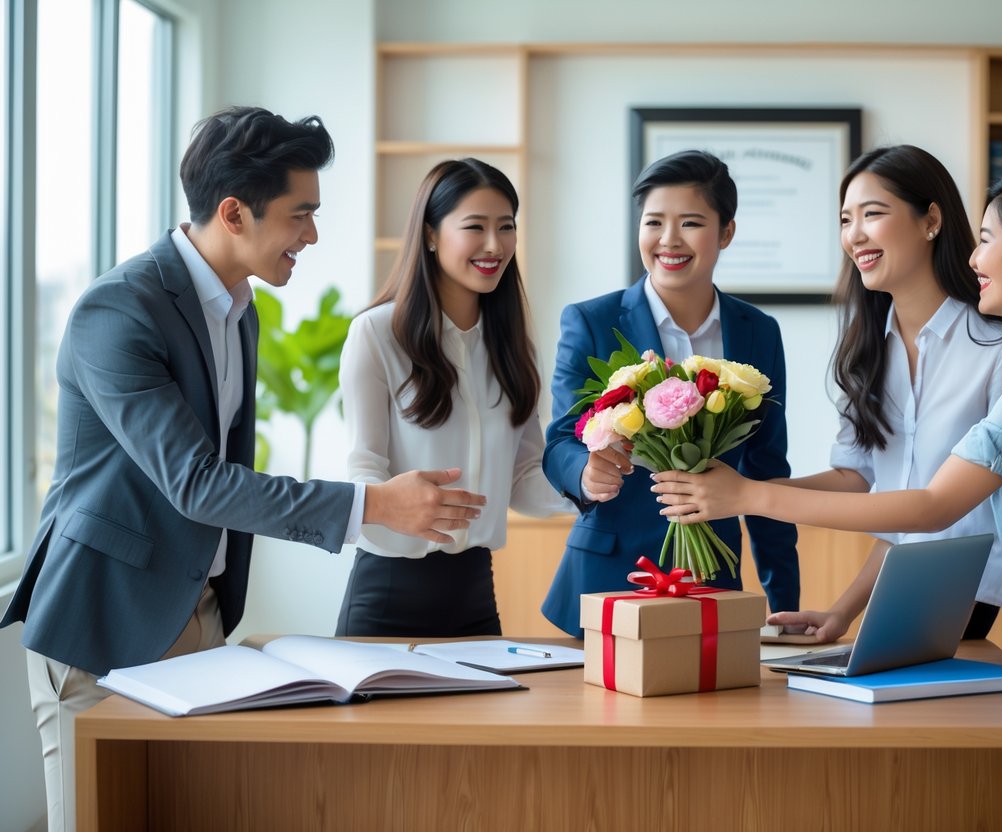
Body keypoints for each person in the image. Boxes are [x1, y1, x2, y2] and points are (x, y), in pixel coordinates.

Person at [655, 170, 1002, 831]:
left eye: (988, 238)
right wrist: (835, 599)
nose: (973, 258)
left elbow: (933, 506)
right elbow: (898, 493)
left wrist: (748, 495)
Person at [0, 106, 486, 832]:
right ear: (233, 212)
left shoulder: (240, 307)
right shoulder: (119, 311)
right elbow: (196, 483)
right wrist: (374, 506)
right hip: (101, 626)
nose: (312, 235)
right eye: (301, 215)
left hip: (196, 621)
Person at [766, 145, 1002, 645]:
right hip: (907, 589)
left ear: (931, 220)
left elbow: (934, 510)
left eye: (872, 214)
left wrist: (753, 496)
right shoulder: (867, 353)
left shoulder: (999, 349)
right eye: (846, 219)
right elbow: (865, 484)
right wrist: (842, 613)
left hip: (969, 592)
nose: (854, 235)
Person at [540, 149, 799, 637]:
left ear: (726, 232)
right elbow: (558, 443)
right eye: (653, 222)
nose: (668, 240)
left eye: (691, 223)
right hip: (606, 580)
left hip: (711, 578)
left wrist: (783, 602)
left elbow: (767, 471)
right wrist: (586, 472)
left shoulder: (758, 332)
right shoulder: (591, 321)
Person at [335, 158, 571, 637]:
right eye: (475, 227)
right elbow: (363, 468)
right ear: (430, 234)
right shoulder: (376, 333)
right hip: (386, 594)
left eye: (506, 227)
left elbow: (524, 476)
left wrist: (589, 486)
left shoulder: (514, 343)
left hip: (475, 593)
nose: (495, 245)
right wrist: (402, 505)